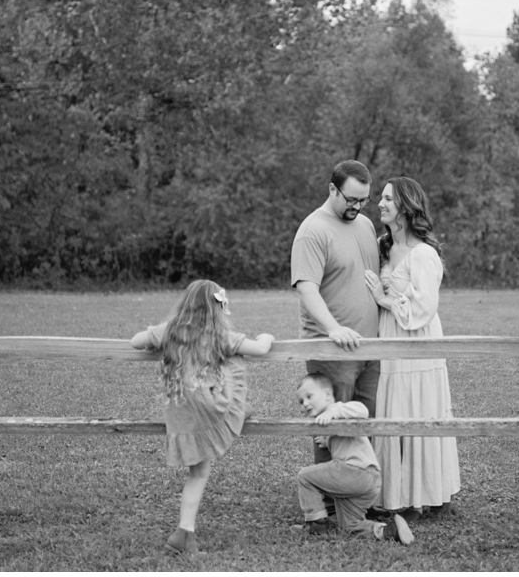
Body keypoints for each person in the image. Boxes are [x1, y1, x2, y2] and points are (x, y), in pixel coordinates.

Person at [130, 279, 274, 557]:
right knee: (233, 366)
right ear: (217, 308)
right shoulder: (219, 335)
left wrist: (155, 342)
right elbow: (260, 349)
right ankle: (184, 534)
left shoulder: (171, 331)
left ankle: (184, 533)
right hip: (209, 411)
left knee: (198, 473)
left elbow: (135, 341)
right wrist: (267, 337)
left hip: (182, 414)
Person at [363, 177, 460, 523]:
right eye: (382, 198)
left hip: (416, 342)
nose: (381, 204)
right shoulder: (383, 246)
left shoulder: (424, 254)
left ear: (405, 206)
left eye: (388, 198)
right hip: (388, 340)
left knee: (418, 412)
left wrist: (384, 299)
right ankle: (390, 493)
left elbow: (423, 308)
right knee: (391, 411)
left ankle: (424, 494)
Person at [291, 159, 381, 455]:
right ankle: (330, 500)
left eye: (363, 200)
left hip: (370, 349)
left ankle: (359, 497)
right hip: (333, 352)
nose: (357, 206)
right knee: (331, 430)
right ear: (332, 189)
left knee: (367, 426)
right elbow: (306, 289)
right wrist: (334, 329)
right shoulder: (313, 231)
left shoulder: (366, 225)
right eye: (351, 199)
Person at [295, 373, 414, 545]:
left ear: (328, 395)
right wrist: (327, 439)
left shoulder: (341, 409)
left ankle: (317, 525)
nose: (305, 404)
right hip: (367, 481)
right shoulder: (332, 421)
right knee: (350, 525)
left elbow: (363, 410)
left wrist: (332, 411)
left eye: (309, 397)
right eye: (301, 401)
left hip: (357, 471)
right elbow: (346, 442)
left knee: (305, 477)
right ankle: (388, 531)